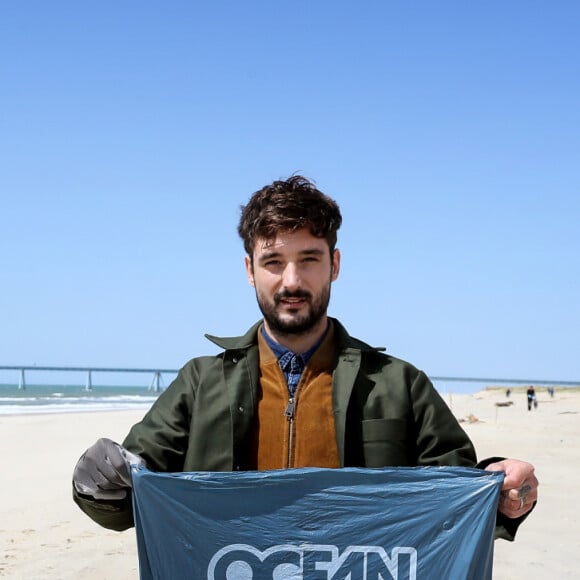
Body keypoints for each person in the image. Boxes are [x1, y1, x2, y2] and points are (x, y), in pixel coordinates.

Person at [73, 175, 538, 540]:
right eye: (273, 261)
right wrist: (97, 483)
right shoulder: (199, 384)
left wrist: (502, 492)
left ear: (335, 265)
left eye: (309, 259)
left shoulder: (399, 384)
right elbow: (131, 495)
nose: (291, 280)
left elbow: (457, 497)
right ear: (249, 271)